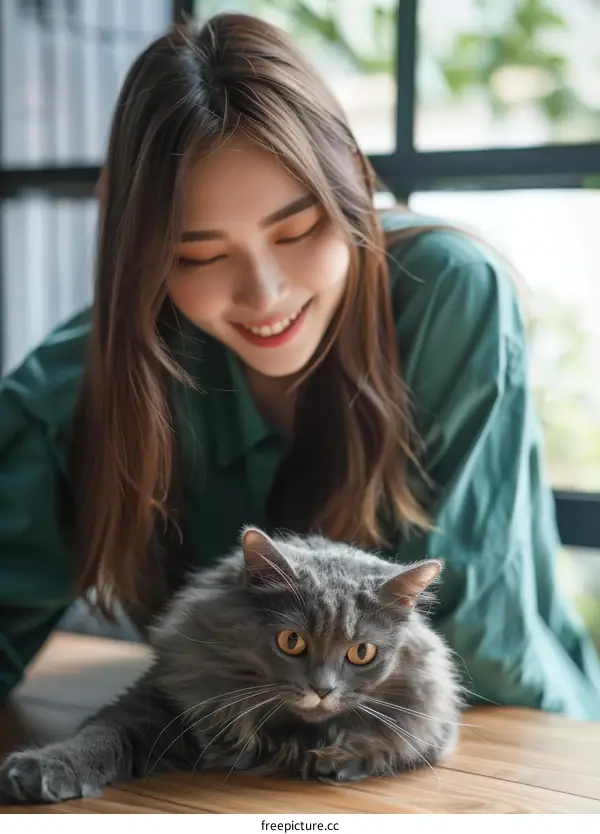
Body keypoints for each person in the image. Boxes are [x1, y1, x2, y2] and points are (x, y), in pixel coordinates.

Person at [1, 12, 599, 719]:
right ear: (145, 261)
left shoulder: (447, 295)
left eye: (298, 230)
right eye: (200, 255)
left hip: (500, 739)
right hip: (217, 764)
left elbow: (476, 642)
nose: (265, 293)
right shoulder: (81, 380)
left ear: (351, 180)